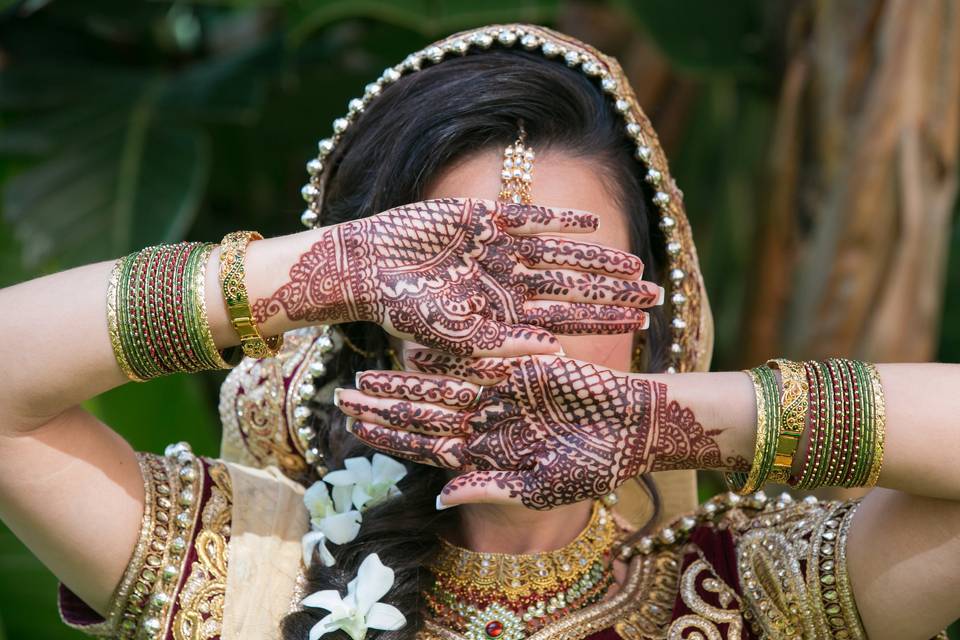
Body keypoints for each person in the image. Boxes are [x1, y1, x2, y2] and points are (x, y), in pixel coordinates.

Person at [0, 23, 957, 640]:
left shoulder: (750, 596)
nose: (510, 338)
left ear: (651, 314)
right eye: (453, 282)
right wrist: (320, 269)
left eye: (560, 280)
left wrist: (680, 419)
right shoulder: (254, 572)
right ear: (383, 318)